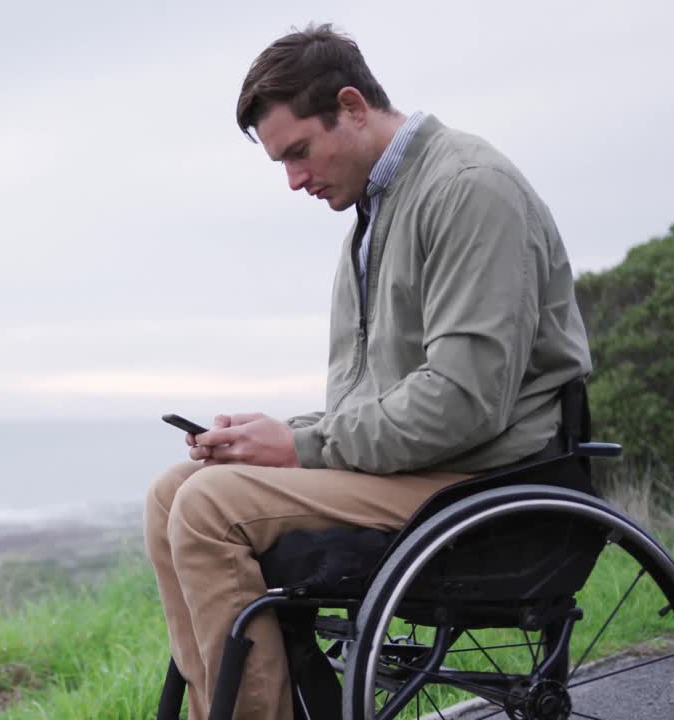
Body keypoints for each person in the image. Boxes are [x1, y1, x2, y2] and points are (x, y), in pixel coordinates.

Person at [143, 23, 592, 720]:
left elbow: (464, 403)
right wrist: (276, 436)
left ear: (352, 106)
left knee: (207, 508)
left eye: (298, 152)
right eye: (281, 164)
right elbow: (383, 399)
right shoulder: (376, 214)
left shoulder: (469, 190)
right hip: (421, 468)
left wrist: (300, 447)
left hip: (483, 478)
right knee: (174, 492)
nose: (294, 180)